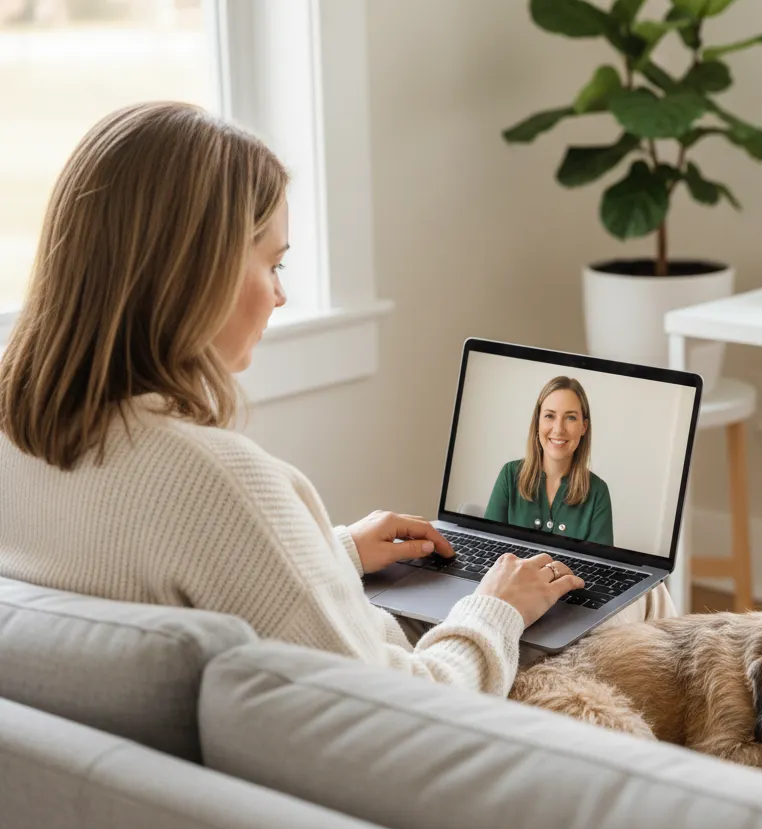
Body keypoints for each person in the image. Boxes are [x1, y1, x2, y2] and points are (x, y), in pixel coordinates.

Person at [0, 102, 672, 700]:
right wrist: (496, 607)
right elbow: (399, 716)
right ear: (192, 273)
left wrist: (335, 549)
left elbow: (170, 563)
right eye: (273, 264)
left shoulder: (21, 436)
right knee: (646, 601)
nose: (280, 294)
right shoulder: (219, 481)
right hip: (434, 705)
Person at [484, 376, 614, 547]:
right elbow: (488, 547)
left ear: (584, 427)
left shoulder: (598, 492)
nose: (559, 429)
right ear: (537, 422)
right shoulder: (510, 475)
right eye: (549, 416)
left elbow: (598, 568)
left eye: (571, 418)